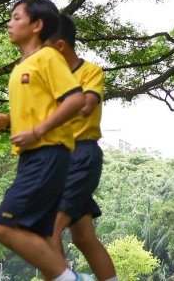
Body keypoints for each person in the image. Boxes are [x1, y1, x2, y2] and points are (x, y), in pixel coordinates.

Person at [0, 0, 85, 281]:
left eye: (17, 17)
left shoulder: (48, 58)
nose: (10, 23)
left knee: (3, 228)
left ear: (37, 25)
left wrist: (36, 132)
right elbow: (40, 111)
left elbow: (76, 99)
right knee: (41, 238)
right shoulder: (22, 66)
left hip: (47, 154)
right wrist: (10, 122)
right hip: (35, 155)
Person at [46, 14, 118, 280]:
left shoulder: (90, 71)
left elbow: (86, 107)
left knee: (48, 233)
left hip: (81, 157)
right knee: (84, 237)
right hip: (56, 159)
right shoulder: (47, 78)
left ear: (60, 45)